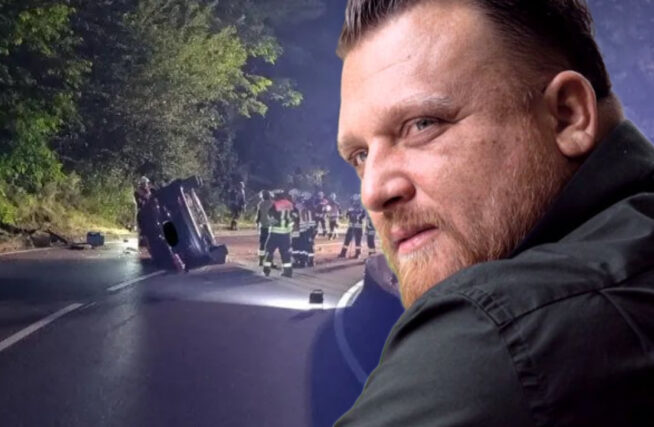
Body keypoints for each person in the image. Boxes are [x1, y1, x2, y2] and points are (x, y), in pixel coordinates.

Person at [335, 0, 654, 425]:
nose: (372, 192)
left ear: (568, 116)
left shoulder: (490, 338)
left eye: (423, 124)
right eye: (360, 155)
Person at [263, 190, 294, 278]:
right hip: (286, 233)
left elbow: (270, 217)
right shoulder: (290, 204)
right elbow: (294, 216)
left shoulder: (275, 205)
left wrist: (272, 224)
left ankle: (266, 270)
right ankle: (288, 272)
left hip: (275, 233)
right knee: (286, 253)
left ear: (276, 196)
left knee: (269, 250)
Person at [338, 194, 364, 259]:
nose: (354, 202)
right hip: (351, 226)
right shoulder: (350, 208)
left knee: (358, 241)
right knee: (347, 240)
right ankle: (343, 253)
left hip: (358, 227)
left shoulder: (361, 208)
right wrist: (348, 215)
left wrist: (358, 217)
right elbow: (347, 216)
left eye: (355, 201)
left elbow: (363, 216)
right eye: (354, 201)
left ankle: (358, 254)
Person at [255, 190, 274, 266]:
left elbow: (258, 216)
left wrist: (257, 223)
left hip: (263, 226)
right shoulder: (272, 203)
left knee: (262, 244)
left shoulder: (260, 204)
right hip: (271, 227)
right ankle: (270, 261)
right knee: (271, 245)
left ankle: (260, 261)